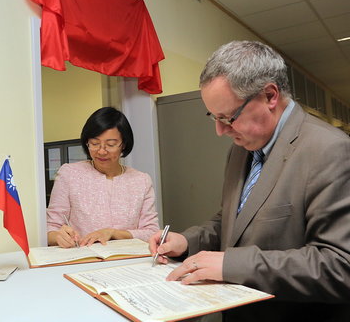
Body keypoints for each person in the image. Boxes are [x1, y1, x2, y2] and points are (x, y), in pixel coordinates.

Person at [150, 40, 350, 321]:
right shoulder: (241, 150)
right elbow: (233, 222)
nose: (220, 131)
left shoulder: (330, 149)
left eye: (229, 117)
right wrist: (186, 241)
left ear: (270, 96)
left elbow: (339, 266)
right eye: (214, 117)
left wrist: (232, 264)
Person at [47, 107, 159, 248]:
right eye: (94, 144)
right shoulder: (69, 174)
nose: (101, 151)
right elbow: (51, 227)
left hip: (127, 261)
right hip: (83, 260)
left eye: (110, 145)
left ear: (123, 144)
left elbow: (151, 232)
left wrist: (113, 233)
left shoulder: (141, 180)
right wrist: (58, 236)